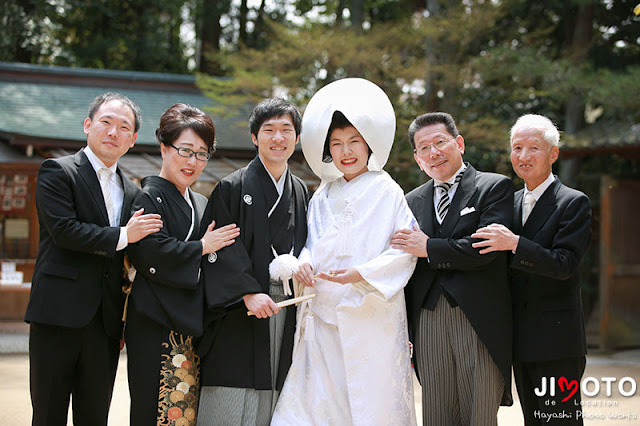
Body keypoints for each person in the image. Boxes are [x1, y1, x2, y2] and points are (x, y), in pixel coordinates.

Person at [271, 78, 418, 425]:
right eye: (336, 144)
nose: (346, 151)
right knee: (314, 405)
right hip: (322, 312)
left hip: (369, 313)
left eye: (354, 141)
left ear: (369, 146)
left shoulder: (389, 191)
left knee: (369, 403)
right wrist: (304, 265)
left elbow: (405, 251)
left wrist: (360, 274)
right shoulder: (322, 194)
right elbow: (310, 243)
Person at [25, 92, 164, 425]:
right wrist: (124, 236)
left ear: (132, 140)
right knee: (48, 414)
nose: (113, 132)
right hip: (57, 316)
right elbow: (65, 231)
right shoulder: (57, 172)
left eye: (123, 127)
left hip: (105, 324)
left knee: (95, 416)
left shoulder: (133, 192)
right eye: (106, 122)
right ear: (88, 125)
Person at [391, 112, 513, 426]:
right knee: (437, 410)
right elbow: (403, 265)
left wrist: (429, 248)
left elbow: (484, 249)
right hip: (428, 316)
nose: (434, 152)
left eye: (440, 142)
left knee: (480, 408)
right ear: (417, 159)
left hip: (478, 315)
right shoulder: (410, 201)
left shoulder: (493, 187)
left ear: (458, 143)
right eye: (424, 148)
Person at [471, 114, 592, 425]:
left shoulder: (573, 203)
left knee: (561, 420)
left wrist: (515, 243)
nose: (523, 156)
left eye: (533, 148)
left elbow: (564, 264)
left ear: (553, 153)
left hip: (557, 342)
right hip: (519, 341)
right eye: (517, 148)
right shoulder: (507, 204)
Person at [124, 104, 240, 425]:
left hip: (189, 323)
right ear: (164, 147)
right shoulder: (146, 198)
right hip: (154, 321)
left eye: (202, 154)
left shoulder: (200, 202)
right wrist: (202, 247)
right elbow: (150, 253)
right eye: (185, 150)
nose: (192, 162)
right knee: (154, 409)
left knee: (184, 412)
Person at [196, 98, 309, 426]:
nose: (278, 138)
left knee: (275, 388)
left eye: (286, 130)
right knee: (232, 393)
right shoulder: (231, 187)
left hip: (285, 304)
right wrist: (247, 292)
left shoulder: (300, 190)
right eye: (269, 130)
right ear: (254, 137)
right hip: (239, 309)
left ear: (297, 138)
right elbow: (219, 249)